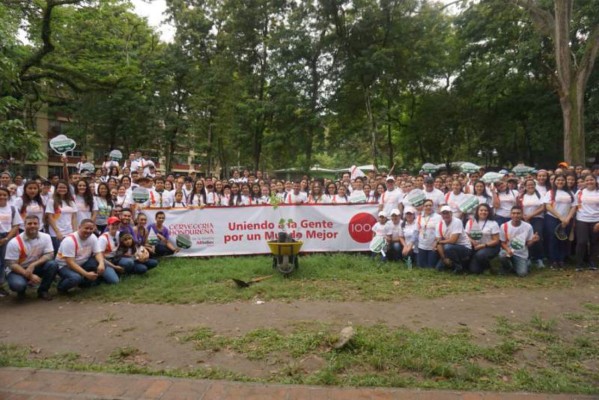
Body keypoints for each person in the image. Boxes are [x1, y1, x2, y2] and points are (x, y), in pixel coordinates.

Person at [56, 219, 118, 293]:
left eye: (91, 229)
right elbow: (70, 263)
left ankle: (83, 283)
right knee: (76, 278)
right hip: (65, 266)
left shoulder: (93, 237)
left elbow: (98, 253)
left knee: (100, 262)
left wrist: (101, 264)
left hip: (82, 263)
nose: (88, 231)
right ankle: (61, 288)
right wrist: (86, 274)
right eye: (86, 228)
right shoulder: (69, 240)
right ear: (79, 227)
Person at [5, 215, 57, 300]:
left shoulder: (46, 237)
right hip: (17, 269)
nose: (32, 225)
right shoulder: (14, 242)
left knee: (53, 264)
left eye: (35, 223)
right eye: (29, 223)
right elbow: (12, 264)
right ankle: (21, 291)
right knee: (18, 285)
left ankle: (43, 291)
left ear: (39, 225)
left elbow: (50, 254)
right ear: (24, 226)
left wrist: (33, 265)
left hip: (35, 266)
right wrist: (30, 276)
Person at [544, 174, 576, 269]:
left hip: (566, 219)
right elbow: (548, 206)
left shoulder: (570, 193)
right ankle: (553, 260)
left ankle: (561, 260)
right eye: (558, 180)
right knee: (553, 238)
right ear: (554, 181)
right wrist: (560, 217)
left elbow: (574, 206)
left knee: (563, 238)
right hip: (552, 218)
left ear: (565, 181)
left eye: (562, 180)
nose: (560, 182)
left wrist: (567, 218)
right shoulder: (550, 192)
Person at [498, 206, 539, 277]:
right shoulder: (504, 226)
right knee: (502, 255)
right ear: (510, 214)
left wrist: (533, 241)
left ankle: (524, 264)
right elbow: (502, 242)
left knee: (522, 274)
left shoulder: (528, 227)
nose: (516, 215)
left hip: (521, 254)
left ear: (522, 214)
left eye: (518, 213)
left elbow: (528, 244)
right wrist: (508, 249)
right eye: (513, 213)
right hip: (508, 252)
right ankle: (507, 267)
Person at [0, 187, 23, 296]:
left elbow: (16, 225)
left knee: (5, 262)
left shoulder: (12, 209)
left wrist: (6, 239)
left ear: (8, 196)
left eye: (4, 195)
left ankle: (2, 285)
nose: (2, 197)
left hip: (7, 237)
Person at [435, 205, 472, 273]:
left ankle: (459, 267)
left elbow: (453, 241)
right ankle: (452, 264)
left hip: (465, 248)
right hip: (450, 248)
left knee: (448, 247)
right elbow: (438, 243)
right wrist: (444, 258)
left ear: (451, 213)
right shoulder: (438, 225)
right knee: (439, 268)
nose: (446, 215)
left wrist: (439, 242)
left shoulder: (457, 221)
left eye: (447, 213)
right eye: (444, 213)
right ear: (441, 215)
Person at [466, 204, 500, 274]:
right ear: (477, 212)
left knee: (480, 255)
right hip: (475, 247)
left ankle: (489, 267)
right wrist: (472, 240)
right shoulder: (470, 222)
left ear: (489, 212)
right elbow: (466, 235)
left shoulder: (493, 223)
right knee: (474, 270)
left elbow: (496, 240)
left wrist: (483, 245)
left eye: (486, 210)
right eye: (481, 210)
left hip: (490, 247)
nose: (483, 212)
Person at [574, 174, 599, 271]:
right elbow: (575, 206)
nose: (589, 182)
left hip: (596, 220)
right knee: (581, 242)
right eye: (587, 180)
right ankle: (579, 263)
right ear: (584, 182)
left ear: (595, 180)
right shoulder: (580, 192)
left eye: (591, 180)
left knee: (594, 242)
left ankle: (592, 262)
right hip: (582, 219)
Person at [46, 180, 78, 254]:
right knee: (59, 254)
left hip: (69, 232)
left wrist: (74, 232)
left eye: (64, 188)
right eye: (60, 187)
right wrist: (57, 232)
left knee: (69, 253)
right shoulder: (52, 201)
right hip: (57, 233)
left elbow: (74, 218)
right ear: (56, 189)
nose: (62, 189)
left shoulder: (71, 202)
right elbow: (50, 218)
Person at [519, 178, 545, 268]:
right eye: (528, 185)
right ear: (525, 187)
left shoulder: (539, 195)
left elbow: (542, 207)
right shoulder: (521, 196)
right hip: (525, 219)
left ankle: (539, 258)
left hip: (537, 218)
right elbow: (518, 207)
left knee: (538, 237)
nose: (530, 186)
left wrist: (531, 215)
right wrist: (524, 216)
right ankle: (528, 257)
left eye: (532, 184)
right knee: (527, 238)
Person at [416, 199, 440, 268]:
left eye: (430, 205)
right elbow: (416, 231)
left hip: (433, 246)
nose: (428, 207)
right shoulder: (419, 217)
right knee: (421, 266)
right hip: (422, 245)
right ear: (423, 207)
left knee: (431, 266)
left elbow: (440, 232)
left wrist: (436, 243)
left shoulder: (438, 217)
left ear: (433, 206)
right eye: (426, 206)